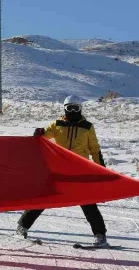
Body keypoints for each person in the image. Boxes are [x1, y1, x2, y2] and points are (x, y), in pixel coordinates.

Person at [18, 95, 109, 247]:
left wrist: (101, 169)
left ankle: (100, 235)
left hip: (79, 170)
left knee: (87, 202)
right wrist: (39, 132)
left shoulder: (87, 126)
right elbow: (44, 135)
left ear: (80, 109)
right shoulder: (58, 124)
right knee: (45, 197)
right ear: (65, 109)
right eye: (69, 108)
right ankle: (22, 226)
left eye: (76, 108)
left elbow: (95, 149)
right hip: (59, 169)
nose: (73, 111)